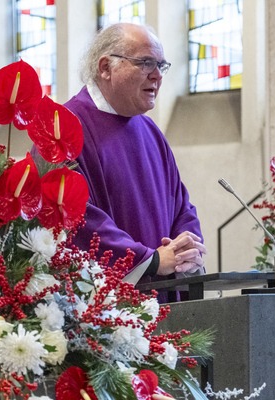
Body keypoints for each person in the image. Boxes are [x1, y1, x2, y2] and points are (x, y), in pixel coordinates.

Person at [65, 23, 206, 299]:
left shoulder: (150, 132)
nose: (156, 76)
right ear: (106, 67)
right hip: (105, 306)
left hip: (164, 297)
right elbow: (75, 216)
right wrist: (149, 260)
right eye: (145, 63)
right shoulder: (65, 127)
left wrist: (185, 249)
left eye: (161, 66)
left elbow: (181, 205)